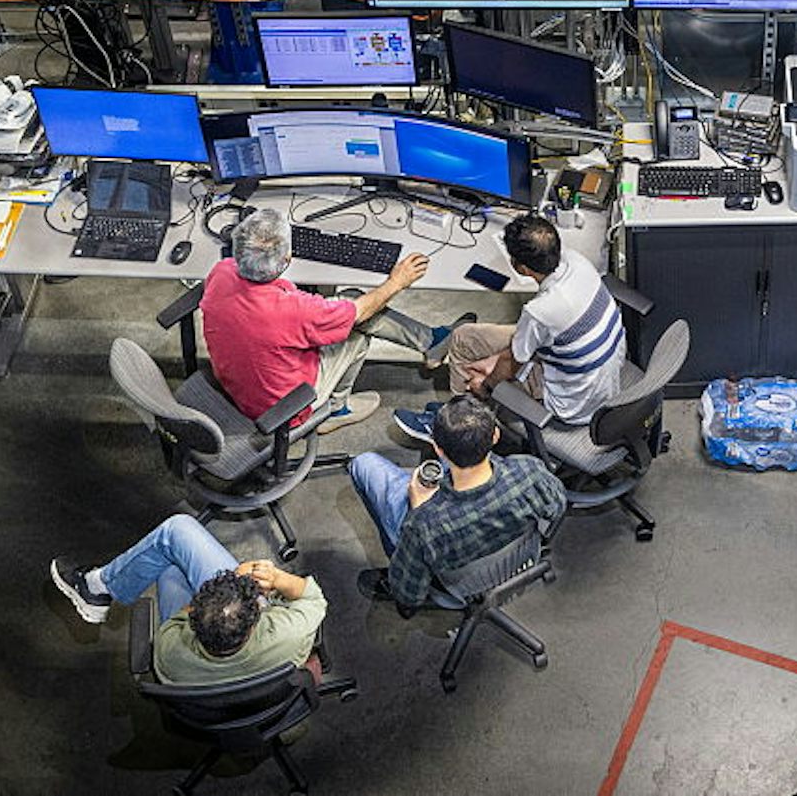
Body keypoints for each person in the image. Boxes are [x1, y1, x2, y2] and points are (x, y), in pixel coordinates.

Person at [201, 208, 458, 433]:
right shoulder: (296, 310)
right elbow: (358, 313)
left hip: (240, 385)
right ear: (287, 259)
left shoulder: (221, 271)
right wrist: (396, 282)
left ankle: (430, 341)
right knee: (357, 330)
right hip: (287, 408)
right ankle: (336, 409)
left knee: (350, 301)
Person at [392, 213, 624, 442]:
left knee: (469, 361)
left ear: (521, 267)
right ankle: (462, 415)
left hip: (574, 403)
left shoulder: (540, 311)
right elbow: (529, 345)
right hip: (601, 378)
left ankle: (457, 433)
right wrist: (494, 361)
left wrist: (485, 383)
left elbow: (514, 362)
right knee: (464, 338)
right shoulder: (577, 262)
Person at [49, 514, 326, 686]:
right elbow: (314, 598)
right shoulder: (290, 632)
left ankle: (97, 588)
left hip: (201, 696)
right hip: (268, 685)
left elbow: (185, 613)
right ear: (255, 620)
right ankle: (98, 587)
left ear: (193, 620)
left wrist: (216, 590)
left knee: (170, 560)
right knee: (173, 547)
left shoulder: (171, 651)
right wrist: (275, 578)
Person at [351, 395, 567, 609]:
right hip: (521, 560)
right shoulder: (530, 472)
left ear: (438, 449)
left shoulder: (423, 526)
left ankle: (395, 558)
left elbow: (408, 595)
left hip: (462, 587)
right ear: (495, 436)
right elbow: (558, 507)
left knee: (363, 464)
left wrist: (418, 506)